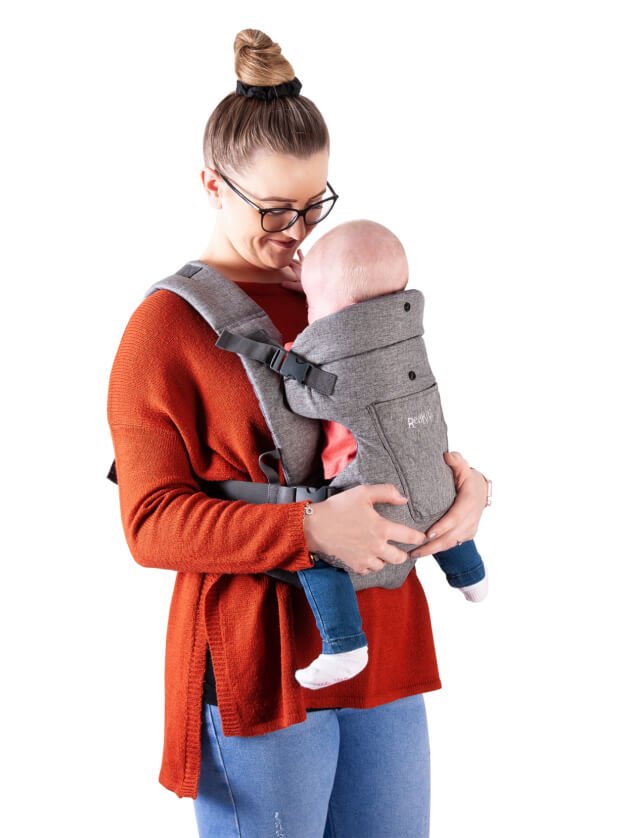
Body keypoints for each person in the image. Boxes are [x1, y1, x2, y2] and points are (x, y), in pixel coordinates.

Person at [106, 28, 491, 838]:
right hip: (263, 656)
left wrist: (464, 488)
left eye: (314, 204)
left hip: (384, 636)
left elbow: (391, 422)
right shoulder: (165, 330)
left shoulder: (343, 291)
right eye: (274, 208)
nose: (297, 229)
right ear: (212, 185)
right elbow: (149, 525)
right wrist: (308, 525)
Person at [277, 219, 488, 692]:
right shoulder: (406, 339)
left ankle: (344, 644)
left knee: (312, 554)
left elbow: (302, 400)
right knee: (438, 516)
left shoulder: (348, 369)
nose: (308, 312)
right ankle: (470, 574)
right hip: (443, 489)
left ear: (343, 310)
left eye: (312, 302)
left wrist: (293, 356)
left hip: (379, 509)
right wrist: (318, 281)